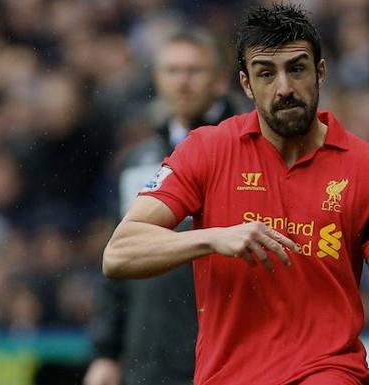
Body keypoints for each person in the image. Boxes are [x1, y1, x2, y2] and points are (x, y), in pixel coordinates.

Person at [102, 4, 369, 385]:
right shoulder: (206, 151)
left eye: (297, 68)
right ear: (246, 84)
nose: (285, 89)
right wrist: (214, 237)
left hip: (327, 372)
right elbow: (118, 253)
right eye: (266, 74)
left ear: (320, 72)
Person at [84, 29, 239, 385]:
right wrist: (106, 353)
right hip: (150, 356)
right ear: (158, 79)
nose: (182, 82)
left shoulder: (248, 153)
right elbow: (117, 258)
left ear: (220, 80)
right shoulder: (138, 162)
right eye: (172, 71)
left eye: (194, 71)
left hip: (229, 353)